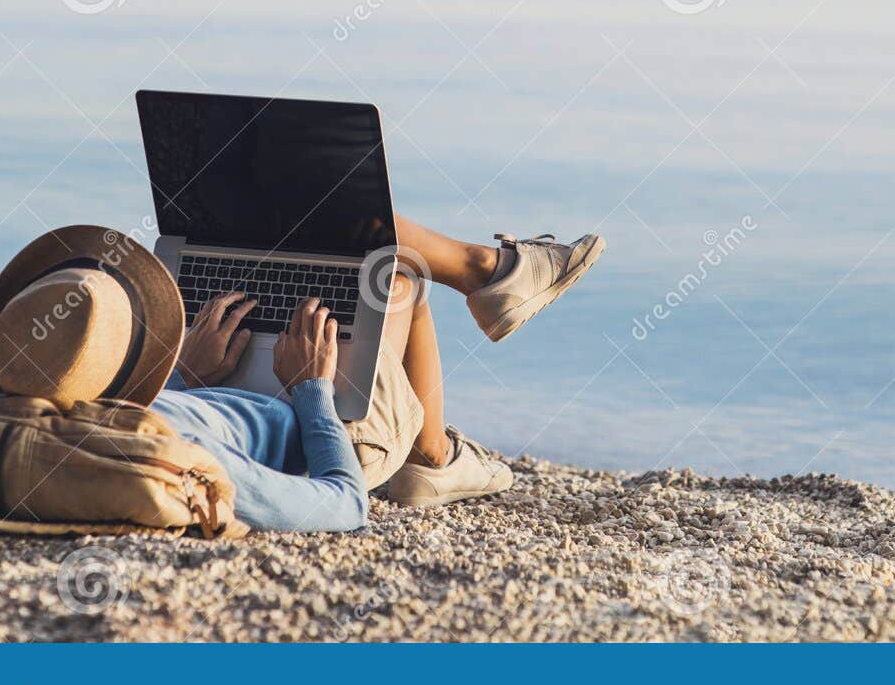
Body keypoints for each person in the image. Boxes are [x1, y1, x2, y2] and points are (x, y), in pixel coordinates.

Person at [149, 220, 604, 532]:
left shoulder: (91, 402)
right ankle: (432, 454)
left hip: (212, 379)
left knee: (309, 219)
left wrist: (185, 373)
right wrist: (311, 387)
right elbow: (343, 503)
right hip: (334, 432)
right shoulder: (176, 467)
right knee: (397, 276)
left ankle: (491, 275)